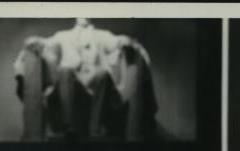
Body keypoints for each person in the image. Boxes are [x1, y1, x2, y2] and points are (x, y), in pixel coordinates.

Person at [13, 17, 157, 141]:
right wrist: (37, 41)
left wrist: (125, 41)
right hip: (71, 84)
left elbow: (116, 41)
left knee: (103, 73)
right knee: (64, 70)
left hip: (95, 83)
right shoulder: (63, 36)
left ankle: (95, 128)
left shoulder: (101, 35)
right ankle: (68, 128)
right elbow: (47, 43)